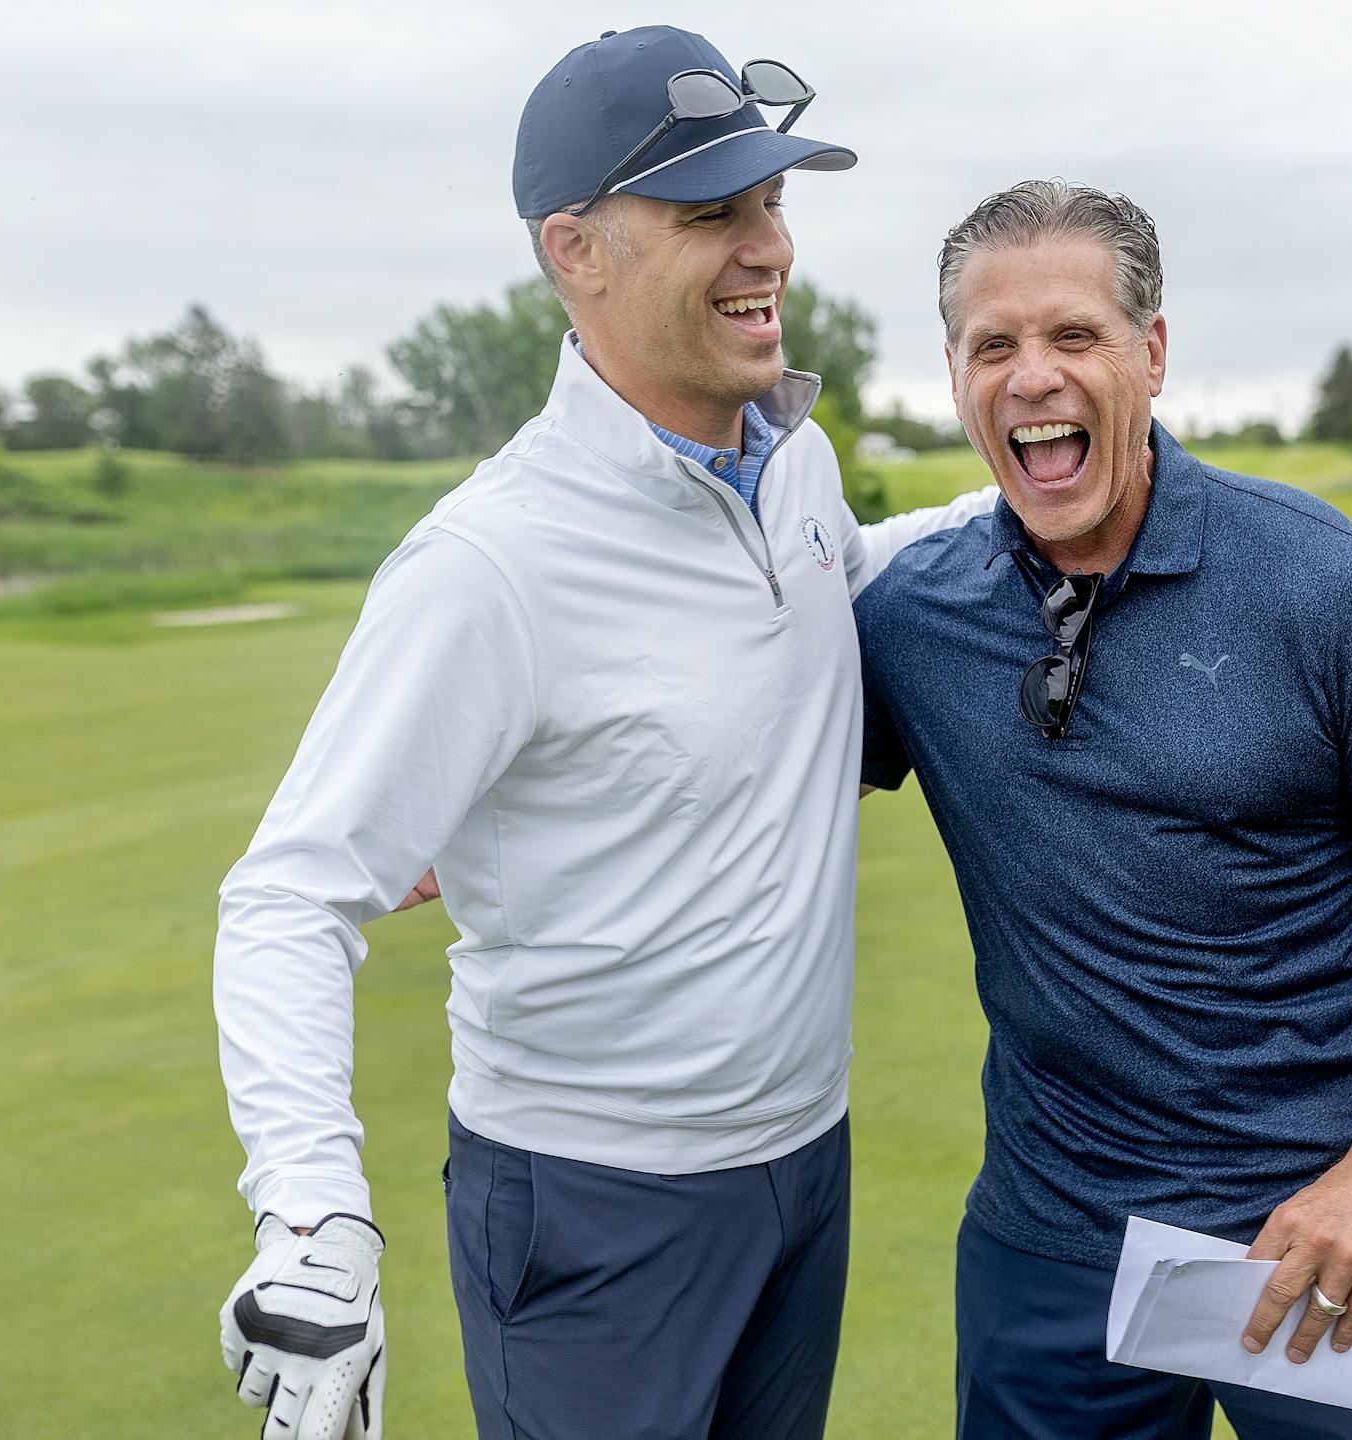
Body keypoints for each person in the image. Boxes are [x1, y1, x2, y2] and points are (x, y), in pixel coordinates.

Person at [211, 27, 994, 1440]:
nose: (769, 248)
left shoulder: (793, 462)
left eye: (772, 203)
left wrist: (1034, 500)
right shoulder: (490, 564)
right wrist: (313, 1214)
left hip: (803, 1163)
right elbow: (289, 895)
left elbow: (837, 587)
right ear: (574, 250)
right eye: (712, 214)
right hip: (591, 1207)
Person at [851, 181, 1352, 1439]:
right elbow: (741, 779)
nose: (1032, 376)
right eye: (992, 345)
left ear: (1152, 353)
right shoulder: (911, 616)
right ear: (953, 374)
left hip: (1334, 1235)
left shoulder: (1324, 583)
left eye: (1075, 335)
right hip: (1054, 1240)